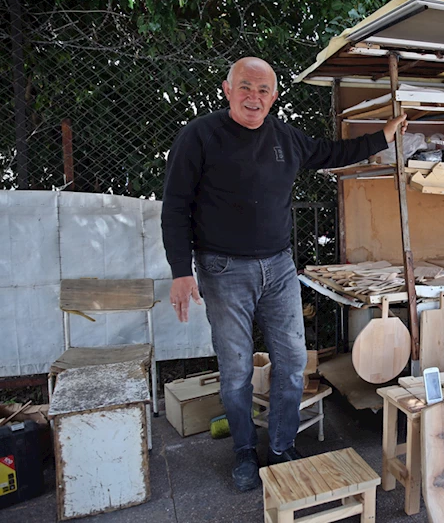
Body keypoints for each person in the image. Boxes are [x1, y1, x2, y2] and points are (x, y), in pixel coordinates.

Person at [161, 57, 406, 492]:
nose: (253, 97)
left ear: (274, 96)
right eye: (245, 87)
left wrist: (383, 135)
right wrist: (181, 271)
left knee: (292, 360)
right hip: (221, 268)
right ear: (227, 89)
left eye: (263, 90)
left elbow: (334, 152)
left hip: (277, 266)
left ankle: (280, 446)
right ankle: (242, 452)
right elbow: (175, 207)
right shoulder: (199, 136)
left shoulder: (285, 137)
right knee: (235, 368)